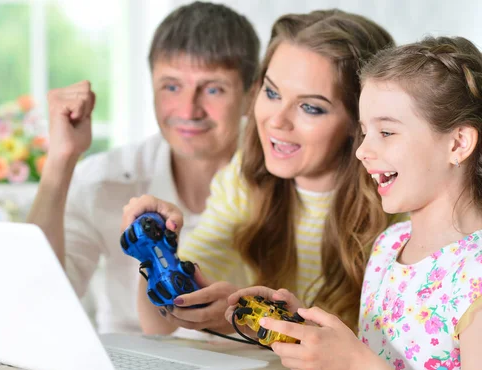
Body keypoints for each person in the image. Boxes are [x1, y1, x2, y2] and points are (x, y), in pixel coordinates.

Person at [228, 36, 482, 370]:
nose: (362, 151)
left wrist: (353, 363)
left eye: (387, 132)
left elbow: (365, 366)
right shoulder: (389, 245)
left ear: (458, 144)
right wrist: (305, 329)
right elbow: (388, 361)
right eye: (364, 132)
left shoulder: (476, 275)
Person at [122, 9, 402, 335]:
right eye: (271, 93)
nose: (277, 121)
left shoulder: (401, 207)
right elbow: (160, 325)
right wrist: (160, 254)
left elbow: (391, 359)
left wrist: (248, 318)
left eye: (310, 107)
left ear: (360, 122)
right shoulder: (242, 184)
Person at [27, 2, 260, 334]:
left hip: (245, 369)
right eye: (172, 86)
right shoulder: (104, 179)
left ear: (252, 95)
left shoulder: (281, 181)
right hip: (133, 364)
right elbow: (40, 299)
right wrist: (61, 158)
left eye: (213, 89)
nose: (189, 110)